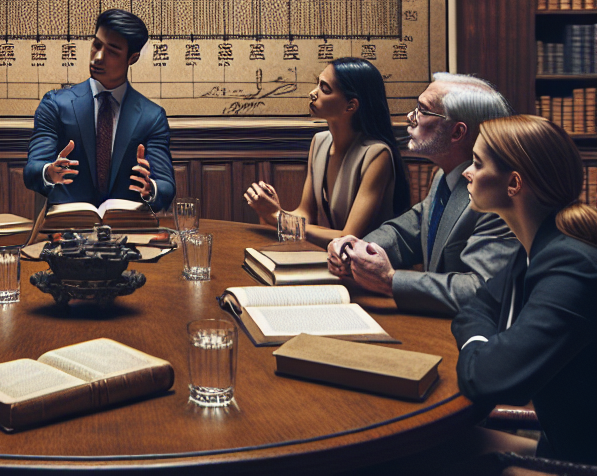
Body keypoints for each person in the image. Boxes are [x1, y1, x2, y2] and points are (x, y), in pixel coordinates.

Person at [452, 115, 597, 464]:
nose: (465, 173)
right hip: (566, 443)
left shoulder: (570, 264)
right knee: (435, 450)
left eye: (476, 163)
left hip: (579, 458)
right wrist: (486, 345)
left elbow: (490, 379)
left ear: (514, 183)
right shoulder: (536, 248)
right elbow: (473, 309)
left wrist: (478, 346)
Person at [327, 73, 518, 314]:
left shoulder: (496, 193)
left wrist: (390, 280)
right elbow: (405, 232)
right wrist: (356, 249)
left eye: (422, 110)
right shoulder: (443, 176)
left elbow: (482, 289)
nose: (410, 117)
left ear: (457, 133)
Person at [244, 58, 410, 247]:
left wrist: (278, 217)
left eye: (325, 89)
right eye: (317, 85)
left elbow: (349, 237)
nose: (313, 93)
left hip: (369, 265)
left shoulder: (377, 155)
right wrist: (271, 209)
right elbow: (305, 215)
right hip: (335, 258)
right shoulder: (320, 142)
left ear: (351, 106)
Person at [23, 9, 175, 211]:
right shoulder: (55, 105)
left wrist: (150, 188)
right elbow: (31, 170)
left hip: (126, 231)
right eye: (96, 45)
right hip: (68, 230)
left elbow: (166, 185)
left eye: (112, 51)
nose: (98, 57)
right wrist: (49, 172)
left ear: (133, 58)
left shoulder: (151, 116)